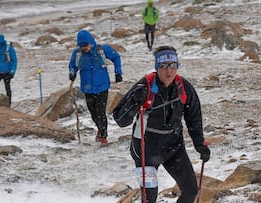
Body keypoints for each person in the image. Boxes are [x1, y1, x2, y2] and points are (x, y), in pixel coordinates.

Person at [113, 46, 210, 203]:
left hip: (173, 147)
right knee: (149, 198)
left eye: (173, 66)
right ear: (157, 67)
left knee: (191, 190)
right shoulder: (145, 86)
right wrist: (134, 103)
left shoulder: (183, 87)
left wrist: (200, 144)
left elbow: (194, 118)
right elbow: (120, 120)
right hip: (145, 149)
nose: (169, 71)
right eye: (164, 66)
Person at [68, 30, 123, 147]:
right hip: (87, 88)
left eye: (86, 45)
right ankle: (100, 129)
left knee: (100, 111)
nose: (85, 48)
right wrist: (72, 72)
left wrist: (118, 72)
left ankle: (104, 137)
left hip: (102, 86)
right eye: (82, 46)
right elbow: (72, 65)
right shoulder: (77, 53)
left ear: (91, 42)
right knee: (93, 113)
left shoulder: (101, 50)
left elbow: (116, 57)